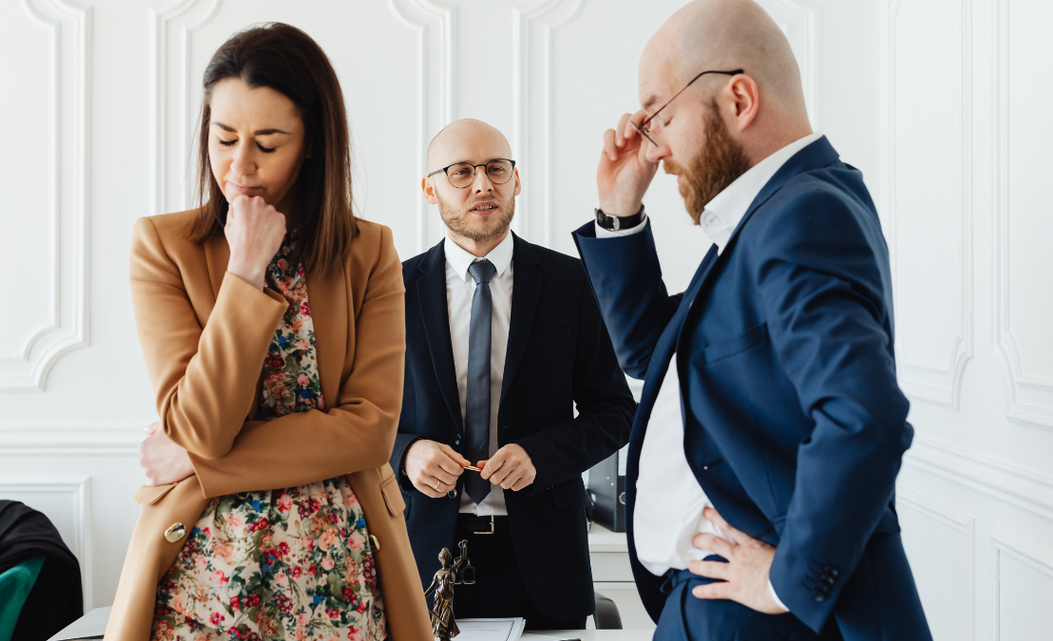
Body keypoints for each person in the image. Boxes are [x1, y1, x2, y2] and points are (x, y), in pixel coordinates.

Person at [571, 1, 933, 640]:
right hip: (718, 603)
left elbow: (864, 416)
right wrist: (618, 211)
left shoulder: (801, 217)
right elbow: (653, 353)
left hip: (761, 617)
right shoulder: (772, 216)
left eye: (660, 115)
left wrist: (787, 581)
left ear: (738, 99)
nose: (656, 146)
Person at [106, 23, 430, 641]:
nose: (239, 166)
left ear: (312, 143)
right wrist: (246, 270)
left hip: (337, 578)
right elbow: (203, 425)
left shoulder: (369, 252)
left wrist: (201, 464)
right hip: (204, 583)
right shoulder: (163, 246)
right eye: (224, 138)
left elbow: (368, 432)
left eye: (267, 143)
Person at [392, 119, 635, 630]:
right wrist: (406, 454)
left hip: (545, 560)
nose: (483, 184)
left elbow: (616, 413)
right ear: (429, 189)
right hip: (421, 556)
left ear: (516, 180)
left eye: (496, 169)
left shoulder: (573, 282)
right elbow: (357, 418)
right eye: (461, 172)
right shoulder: (391, 290)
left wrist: (540, 456)